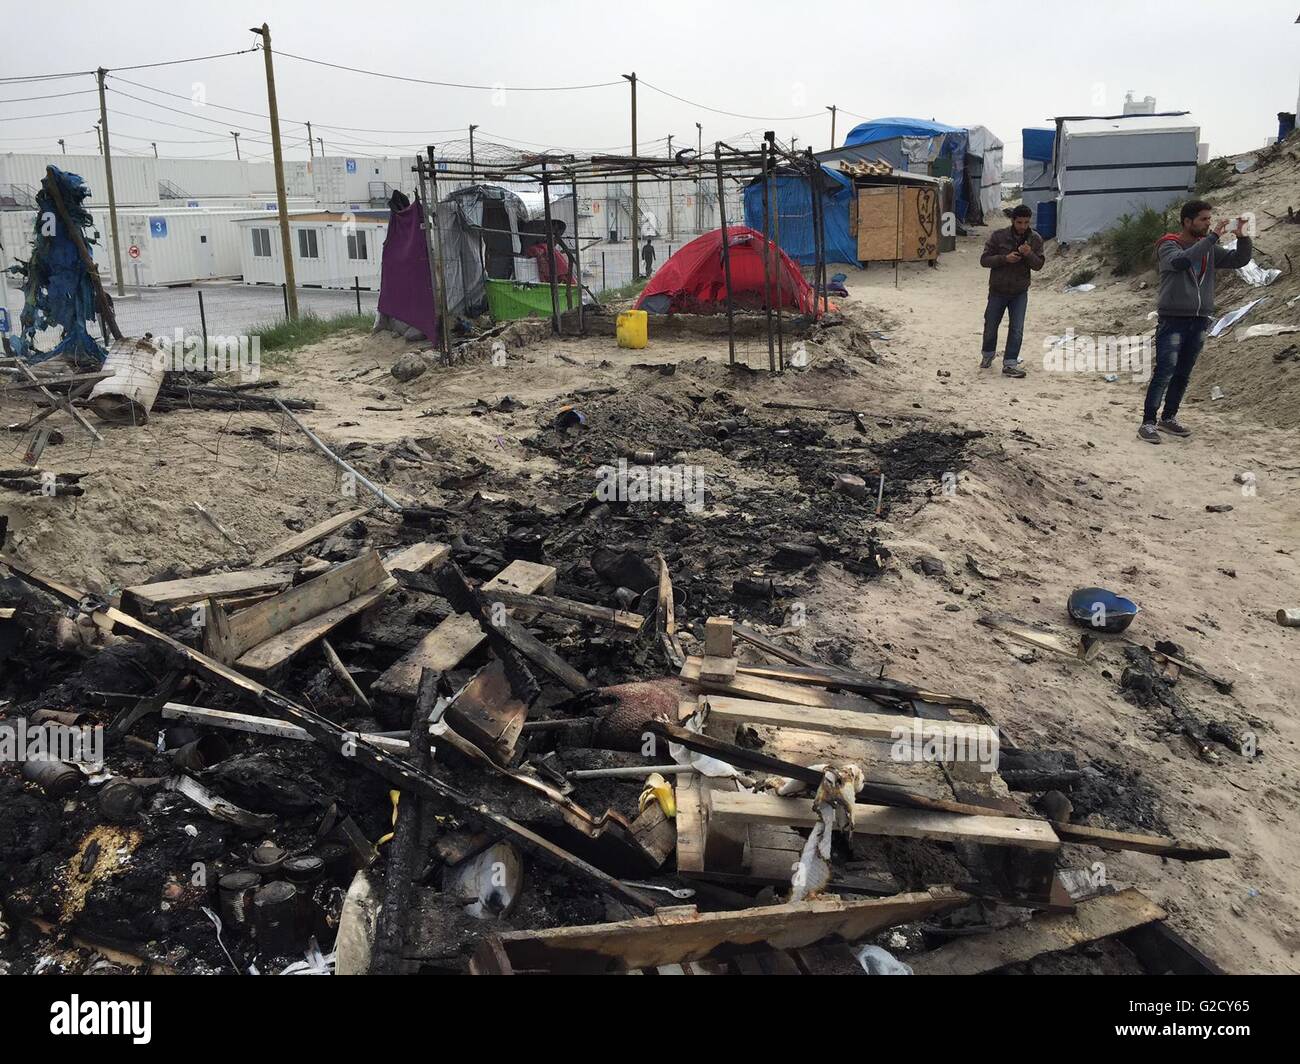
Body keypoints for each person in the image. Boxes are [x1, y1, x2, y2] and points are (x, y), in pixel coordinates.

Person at [1139, 201, 1252, 444]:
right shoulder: (1168, 245)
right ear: (1187, 221)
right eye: (1203, 219)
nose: (1208, 223)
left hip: (1200, 319)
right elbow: (1181, 262)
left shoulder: (1208, 249)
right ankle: (1148, 422)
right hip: (1173, 320)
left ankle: (1168, 418)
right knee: (1165, 371)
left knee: (1183, 373)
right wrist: (1212, 238)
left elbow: (1239, 260)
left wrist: (1243, 237)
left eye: (1209, 219)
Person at [979, 204, 1046, 377]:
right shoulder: (998, 236)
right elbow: (984, 260)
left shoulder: (1035, 239)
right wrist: (1005, 259)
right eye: (1019, 222)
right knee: (991, 326)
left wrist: (1029, 253)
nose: (1023, 226)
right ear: (1013, 221)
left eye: (1026, 223)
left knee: (1016, 328)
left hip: (1019, 292)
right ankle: (987, 355)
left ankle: (1010, 363)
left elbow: (1038, 265)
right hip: (997, 290)